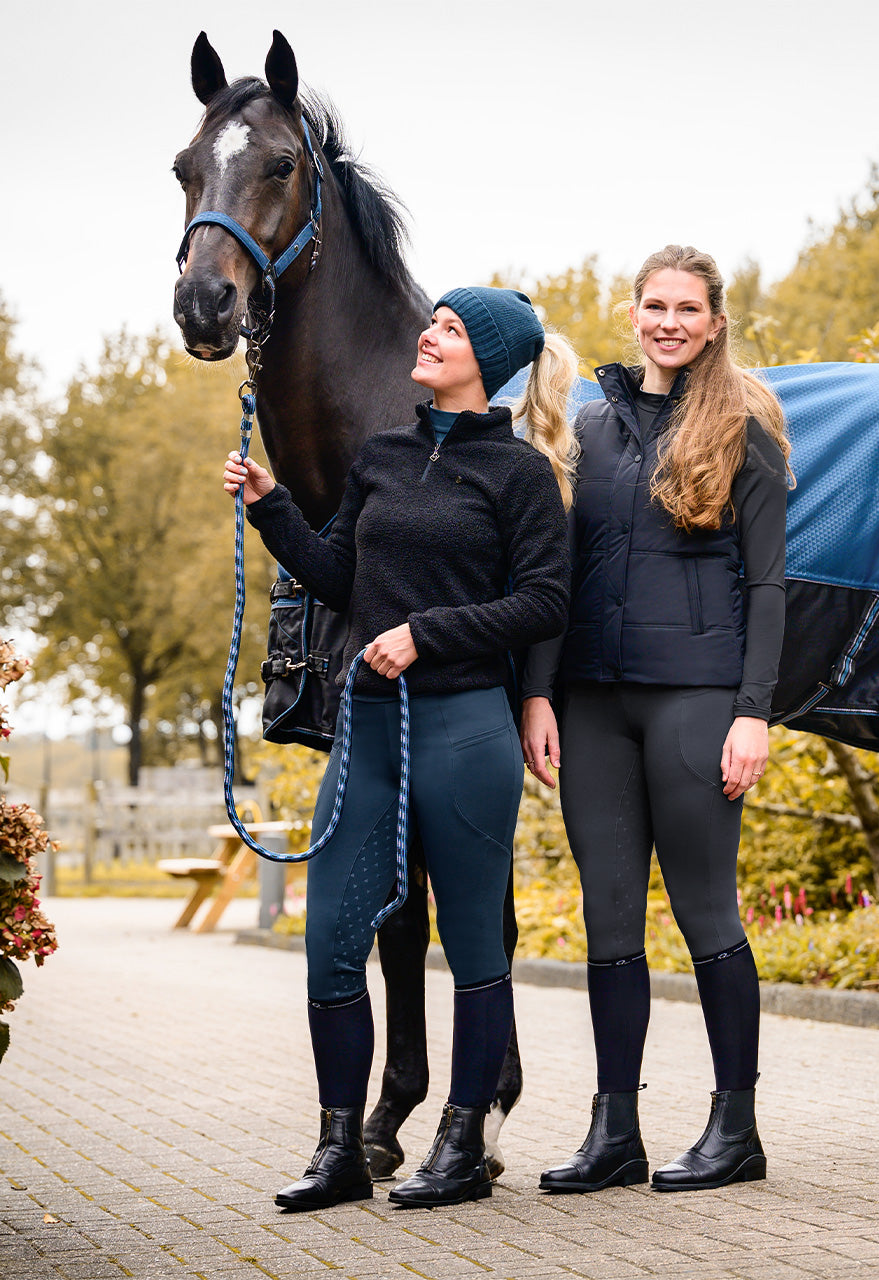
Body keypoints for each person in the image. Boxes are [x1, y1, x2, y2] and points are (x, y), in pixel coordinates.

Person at [222, 288, 575, 1211]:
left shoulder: (521, 474)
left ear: (487, 360)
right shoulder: (381, 456)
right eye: (435, 321)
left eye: (451, 329)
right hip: (368, 728)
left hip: (467, 730)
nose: (429, 334)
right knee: (331, 941)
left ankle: (460, 1147)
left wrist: (428, 633)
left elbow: (545, 602)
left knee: (473, 944)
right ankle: (341, 1148)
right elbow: (341, 577)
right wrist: (272, 508)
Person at [521, 245, 791, 1193]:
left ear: (714, 325)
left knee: (706, 908)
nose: (669, 322)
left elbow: (769, 585)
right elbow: (557, 573)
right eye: (655, 306)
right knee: (606, 917)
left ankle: (736, 1129)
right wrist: (539, 692)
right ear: (633, 314)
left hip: (695, 699)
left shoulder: (745, 430)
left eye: (687, 309)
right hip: (593, 702)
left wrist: (753, 714)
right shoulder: (586, 428)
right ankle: (615, 1133)